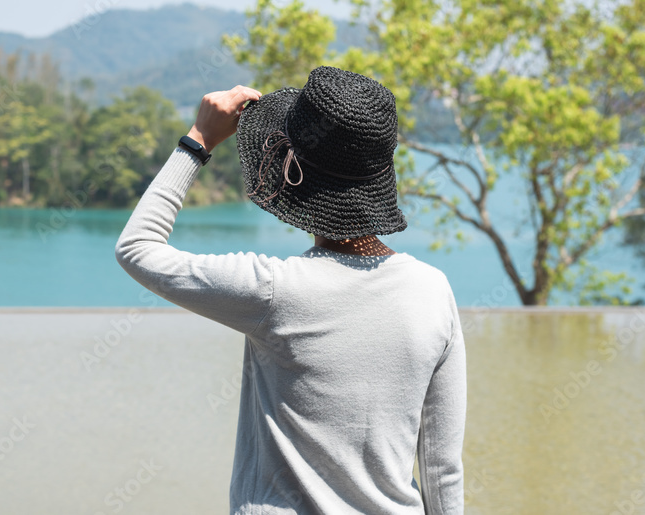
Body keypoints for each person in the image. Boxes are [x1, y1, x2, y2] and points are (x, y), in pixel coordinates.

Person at [115, 66, 466, 514]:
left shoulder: (273, 290)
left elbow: (137, 248)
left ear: (290, 168)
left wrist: (197, 140)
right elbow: (441, 469)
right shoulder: (432, 290)